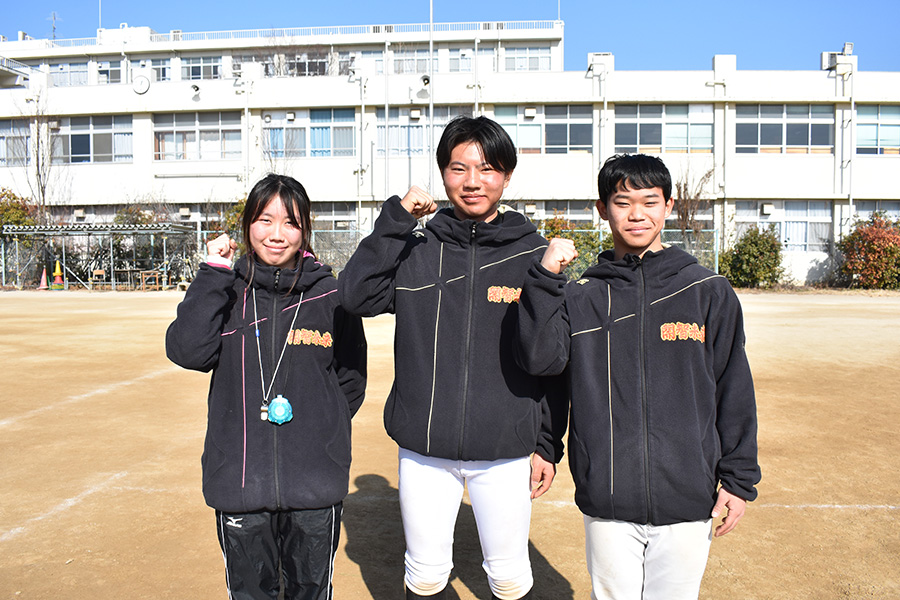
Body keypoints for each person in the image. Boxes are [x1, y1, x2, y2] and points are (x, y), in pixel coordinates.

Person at [515, 154, 761, 600]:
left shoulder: (706, 291)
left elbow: (734, 388)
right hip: (607, 493)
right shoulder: (583, 296)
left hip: (689, 494)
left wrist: (738, 480)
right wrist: (544, 280)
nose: (636, 214)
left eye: (649, 201)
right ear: (602, 209)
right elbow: (544, 366)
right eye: (622, 202)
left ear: (668, 206)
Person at [338, 116, 564, 600]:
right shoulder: (416, 249)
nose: (472, 181)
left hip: (504, 449)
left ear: (507, 175)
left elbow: (551, 361)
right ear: (443, 173)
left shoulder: (535, 255)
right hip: (424, 448)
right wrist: (396, 220)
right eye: (459, 168)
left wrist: (547, 442)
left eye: (487, 168)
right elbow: (355, 295)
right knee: (424, 575)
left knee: (508, 576)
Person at [165, 173, 367, 600]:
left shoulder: (330, 296)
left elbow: (351, 378)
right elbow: (188, 351)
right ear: (247, 226)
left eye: (290, 223)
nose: (277, 234)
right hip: (239, 482)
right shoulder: (226, 290)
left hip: (315, 482)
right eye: (265, 220)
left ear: (305, 229)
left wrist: (322, 427)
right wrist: (213, 273)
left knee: (311, 592)